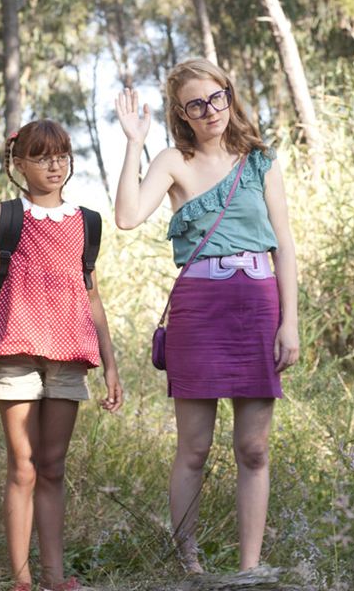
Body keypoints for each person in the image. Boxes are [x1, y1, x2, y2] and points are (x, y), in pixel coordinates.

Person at [113, 59, 300, 573]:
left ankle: (249, 566)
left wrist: (291, 322)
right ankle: (187, 560)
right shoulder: (174, 160)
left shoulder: (260, 160)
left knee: (254, 447)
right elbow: (127, 217)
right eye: (196, 104)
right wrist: (134, 143)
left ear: (229, 94)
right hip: (198, 310)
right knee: (193, 448)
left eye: (217, 98)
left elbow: (284, 244)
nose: (210, 110)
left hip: (258, 305)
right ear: (182, 113)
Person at [0, 119, 123, 591]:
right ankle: (21, 580)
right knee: (23, 466)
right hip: (15, 353)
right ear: (19, 163)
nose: (54, 164)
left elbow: (91, 297)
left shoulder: (87, 222)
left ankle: (55, 578)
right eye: (40, 156)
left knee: (53, 467)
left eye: (60, 155)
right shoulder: (6, 215)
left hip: (69, 357)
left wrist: (111, 365)